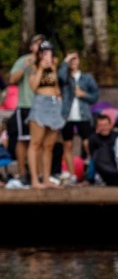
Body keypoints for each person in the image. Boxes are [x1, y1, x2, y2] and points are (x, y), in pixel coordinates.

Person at [6, 33, 46, 183]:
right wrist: (25, 66)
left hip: (43, 108)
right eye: (37, 43)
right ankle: (23, 173)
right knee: (23, 140)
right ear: (31, 46)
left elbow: (50, 85)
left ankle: (41, 175)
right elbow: (11, 80)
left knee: (40, 142)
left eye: (42, 44)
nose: (39, 47)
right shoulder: (24, 61)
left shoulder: (46, 62)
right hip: (25, 106)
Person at [25, 41, 65, 188]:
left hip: (54, 104)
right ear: (39, 54)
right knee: (35, 144)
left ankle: (46, 179)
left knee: (49, 146)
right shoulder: (32, 66)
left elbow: (54, 85)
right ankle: (35, 180)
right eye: (44, 52)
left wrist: (59, 96)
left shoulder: (54, 66)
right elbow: (34, 87)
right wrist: (41, 68)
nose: (47, 55)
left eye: (49, 52)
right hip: (40, 103)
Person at [58, 50, 99, 183]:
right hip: (67, 116)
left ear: (79, 60)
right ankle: (72, 175)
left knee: (88, 144)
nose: (73, 61)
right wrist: (65, 62)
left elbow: (95, 96)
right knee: (68, 145)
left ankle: (94, 172)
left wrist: (84, 95)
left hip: (84, 116)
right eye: (70, 59)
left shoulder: (87, 77)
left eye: (75, 58)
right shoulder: (65, 78)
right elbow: (60, 76)